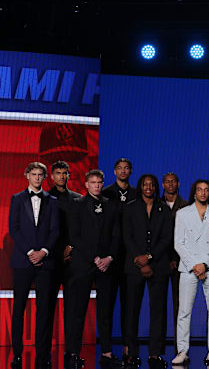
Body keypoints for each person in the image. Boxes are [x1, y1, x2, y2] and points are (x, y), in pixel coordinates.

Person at [64, 169, 122, 368]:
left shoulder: (111, 206)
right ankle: (73, 352)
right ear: (86, 185)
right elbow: (75, 236)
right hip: (83, 265)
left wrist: (109, 258)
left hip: (106, 266)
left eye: (99, 182)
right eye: (93, 182)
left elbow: (117, 236)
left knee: (105, 311)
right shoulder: (77, 205)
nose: (97, 186)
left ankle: (106, 352)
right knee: (77, 310)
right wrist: (95, 257)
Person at [8, 162, 59, 369]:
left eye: (40, 175)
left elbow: (55, 230)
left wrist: (43, 252)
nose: (37, 178)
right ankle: (17, 353)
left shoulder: (53, 201)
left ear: (45, 177)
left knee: (44, 309)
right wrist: (30, 252)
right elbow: (14, 228)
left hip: (45, 262)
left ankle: (42, 353)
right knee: (19, 308)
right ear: (27, 175)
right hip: (22, 261)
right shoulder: (17, 199)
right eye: (34, 174)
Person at [172, 180, 209, 366]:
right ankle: (182, 351)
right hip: (188, 268)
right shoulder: (182, 213)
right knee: (184, 311)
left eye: (206, 190)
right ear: (194, 192)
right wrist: (195, 265)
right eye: (199, 190)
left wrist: (205, 264)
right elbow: (178, 243)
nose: (202, 193)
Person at [123, 174, 173, 368]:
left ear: (156, 187)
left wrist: (149, 258)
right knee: (132, 310)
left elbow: (166, 238)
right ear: (140, 186)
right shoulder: (130, 208)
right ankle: (131, 351)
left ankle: (155, 354)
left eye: (152, 184)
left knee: (158, 311)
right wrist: (140, 259)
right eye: (145, 184)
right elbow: (127, 236)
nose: (149, 187)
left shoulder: (164, 209)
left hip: (158, 266)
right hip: (134, 266)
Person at [47, 160, 82, 366]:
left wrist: (72, 249)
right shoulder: (45, 198)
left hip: (72, 262)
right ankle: (45, 352)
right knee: (47, 308)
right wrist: (56, 252)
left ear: (69, 175)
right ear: (52, 175)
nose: (61, 176)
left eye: (64, 173)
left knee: (73, 309)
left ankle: (72, 351)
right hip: (51, 261)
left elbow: (82, 230)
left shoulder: (78, 199)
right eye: (58, 173)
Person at [101, 157, 136, 360]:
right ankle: (106, 349)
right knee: (106, 305)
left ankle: (127, 346)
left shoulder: (136, 193)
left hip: (130, 258)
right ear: (114, 171)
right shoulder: (105, 193)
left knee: (128, 305)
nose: (123, 171)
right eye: (120, 168)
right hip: (109, 257)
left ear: (130, 171)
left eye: (126, 168)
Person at [161, 172, 189, 341]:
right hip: (160, 260)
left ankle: (181, 348)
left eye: (173, 181)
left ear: (178, 184)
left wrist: (177, 259)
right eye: (167, 182)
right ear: (163, 184)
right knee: (159, 306)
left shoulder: (186, 206)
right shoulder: (156, 204)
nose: (170, 184)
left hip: (181, 262)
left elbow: (188, 236)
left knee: (181, 307)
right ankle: (158, 349)